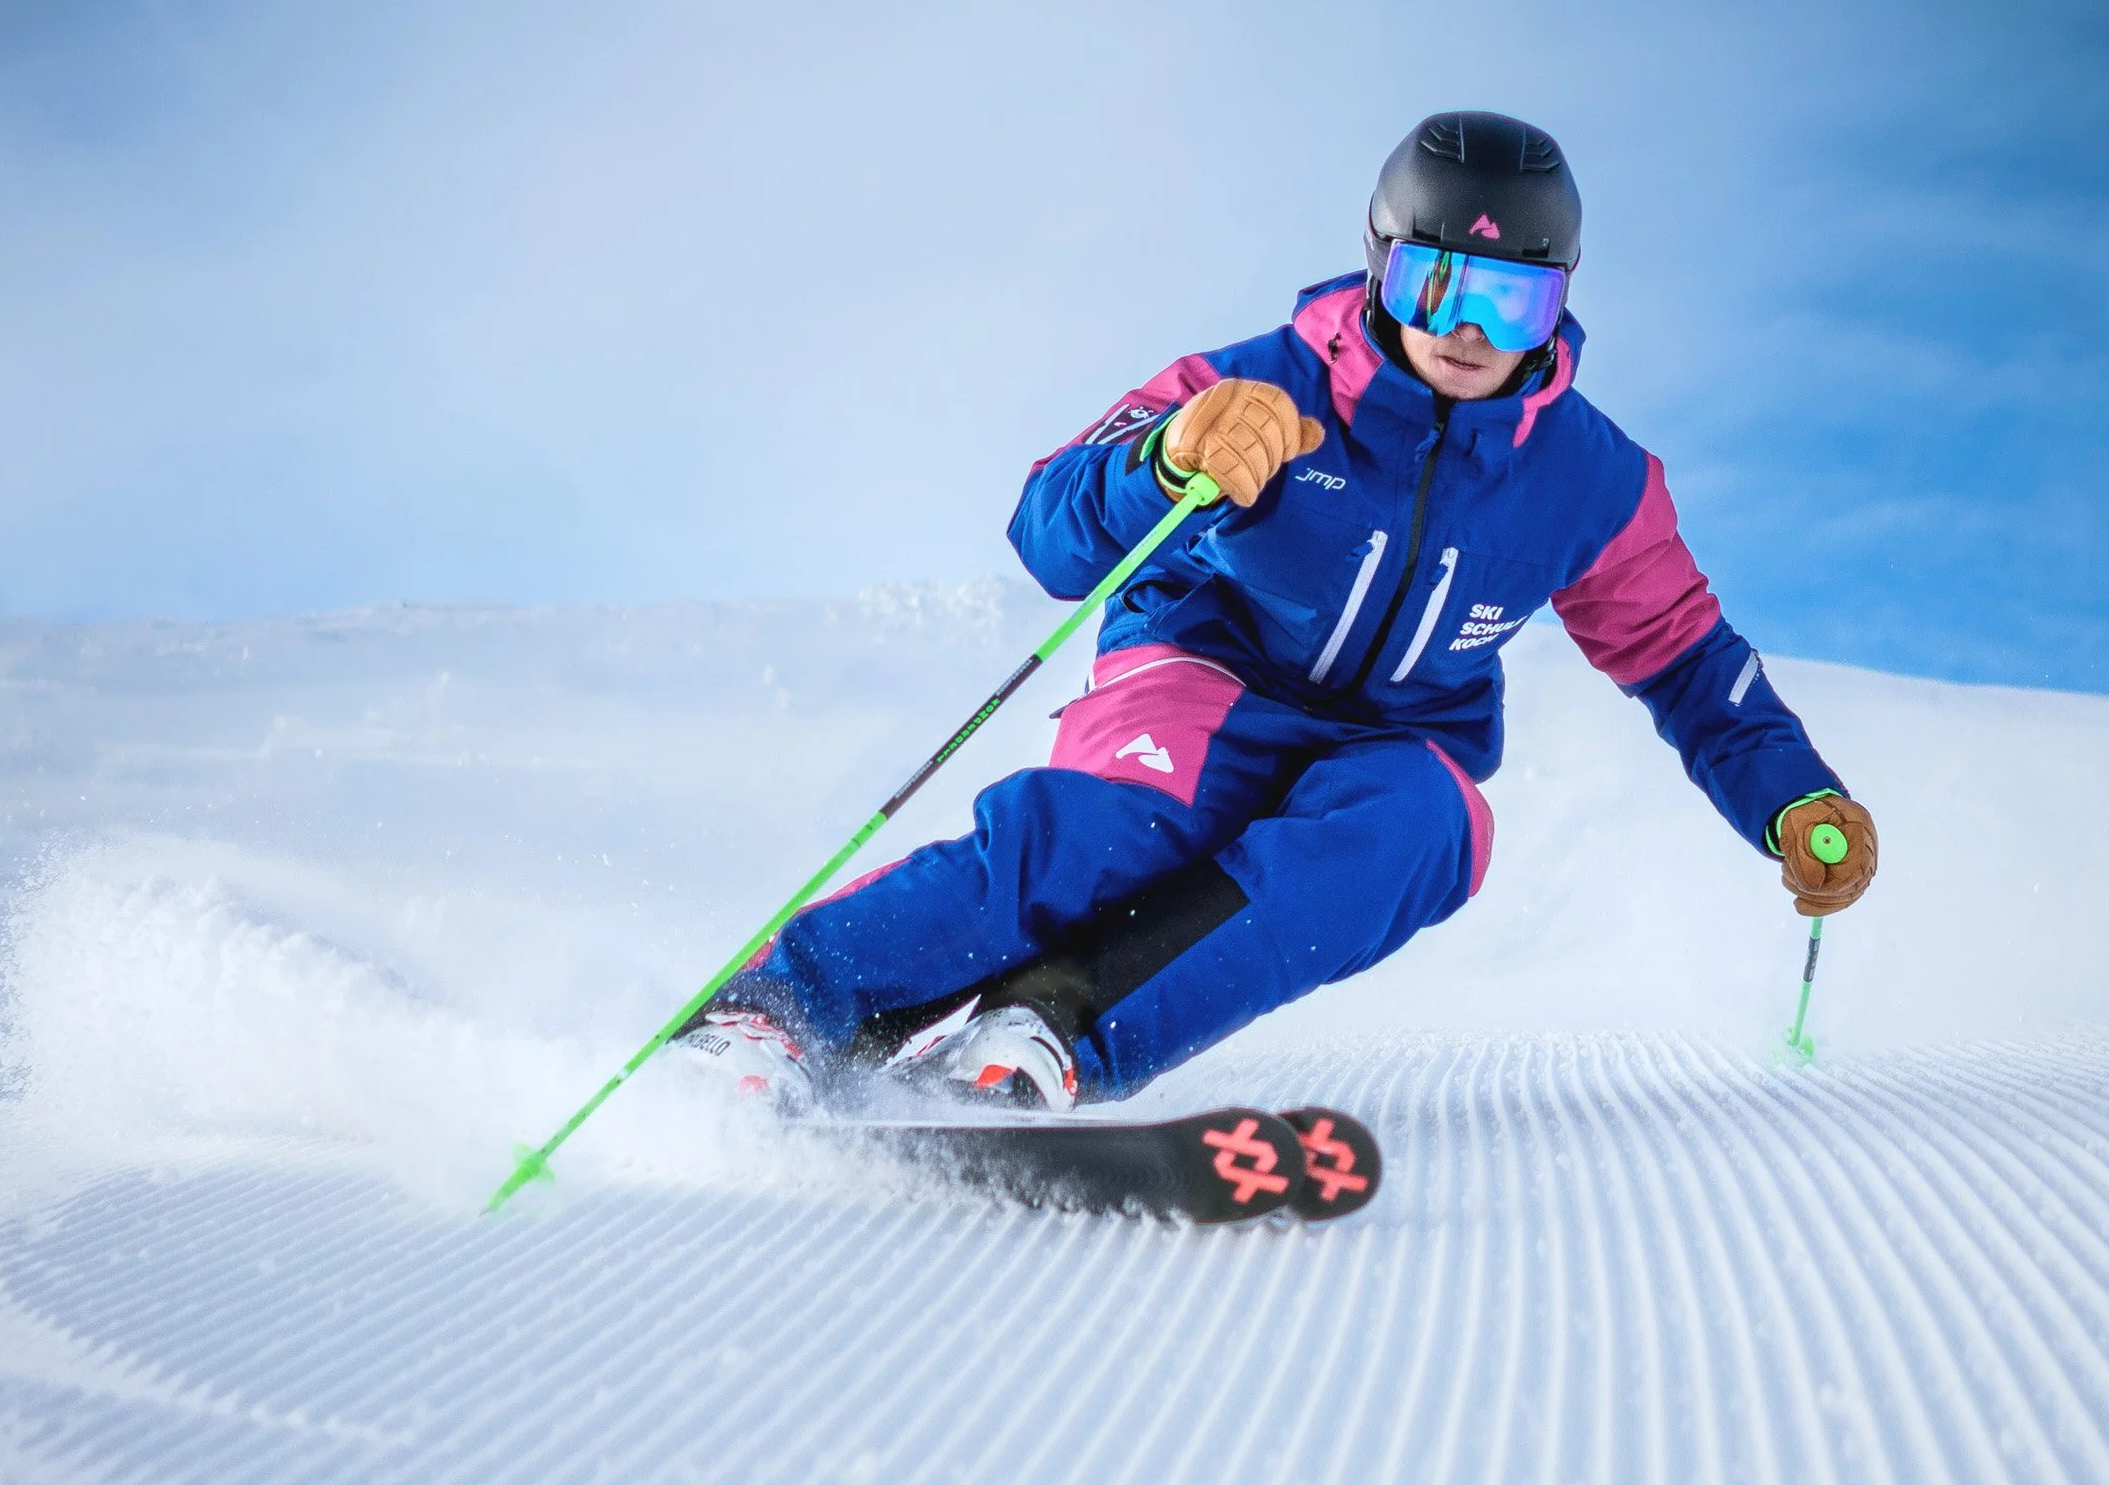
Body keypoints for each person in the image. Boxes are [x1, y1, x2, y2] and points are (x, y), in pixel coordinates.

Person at [670, 110, 1878, 1112]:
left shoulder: (1591, 480)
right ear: (1378, 266)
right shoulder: (1252, 385)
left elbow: (1685, 659)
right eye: (1434, 281)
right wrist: (1165, 457)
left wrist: (1791, 797)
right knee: (1111, 829)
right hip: (1205, 670)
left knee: (1428, 830)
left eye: (1507, 304)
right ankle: (777, 1007)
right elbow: (1048, 522)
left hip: (1397, 738)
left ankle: (1043, 1034)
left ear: (1557, 306)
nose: (1464, 329)